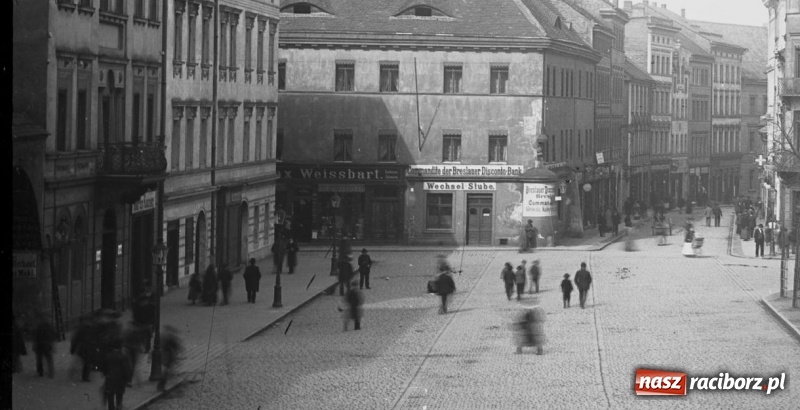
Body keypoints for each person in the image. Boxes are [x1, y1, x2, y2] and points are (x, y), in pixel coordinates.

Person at [102, 339, 131, 410]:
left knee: (110, 395)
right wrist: (128, 378)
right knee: (119, 395)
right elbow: (126, 369)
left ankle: (111, 408)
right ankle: (118, 407)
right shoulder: (123, 356)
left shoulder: (108, 355)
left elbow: (104, 367)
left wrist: (106, 374)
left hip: (110, 378)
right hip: (120, 379)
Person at [158, 326, 182, 392]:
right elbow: (176, 347)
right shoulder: (169, 338)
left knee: (167, 371)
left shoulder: (164, 337)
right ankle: (161, 386)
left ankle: (161, 385)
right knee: (166, 371)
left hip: (166, 356)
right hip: (168, 357)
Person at [33, 313, 55, 378]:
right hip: (46, 345)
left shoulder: (38, 327)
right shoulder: (48, 327)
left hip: (40, 345)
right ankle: (51, 372)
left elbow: (35, 336)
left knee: (39, 359)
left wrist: (35, 345)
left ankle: (40, 372)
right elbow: (52, 335)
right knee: (49, 359)